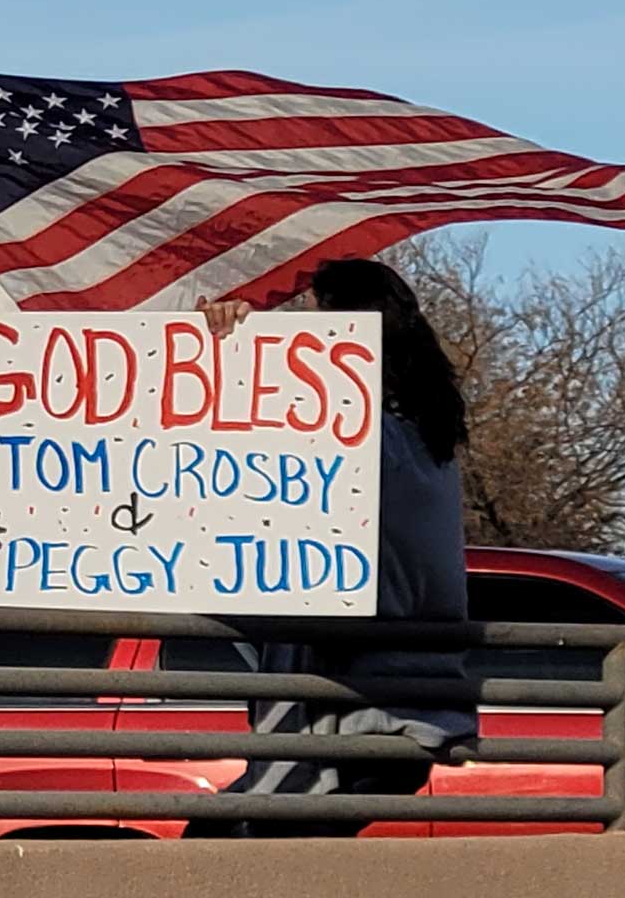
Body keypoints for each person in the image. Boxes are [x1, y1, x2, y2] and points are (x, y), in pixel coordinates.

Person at [186, 258, 476, 839]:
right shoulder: (420, 434)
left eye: (308, 322)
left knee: (235, 854)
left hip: (356, 720)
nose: (296, 337)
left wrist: (226, 348)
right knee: (222, 845)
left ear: (347, 333)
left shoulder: (366, 440)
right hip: (395, 716)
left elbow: (223, 441)